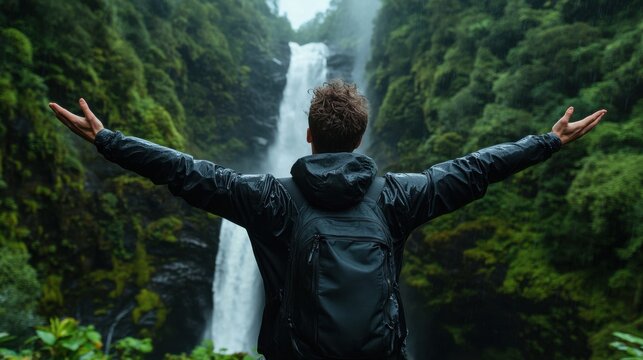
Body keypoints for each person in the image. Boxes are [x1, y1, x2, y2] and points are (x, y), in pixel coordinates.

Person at [49, 80, 606, 359]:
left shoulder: (269, 199)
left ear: (309, 134)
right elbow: (473, 170)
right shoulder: (398, 197)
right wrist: (546, 142)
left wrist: (108, 140)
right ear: (360, 138)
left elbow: (190, 174)